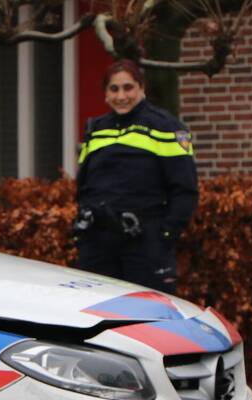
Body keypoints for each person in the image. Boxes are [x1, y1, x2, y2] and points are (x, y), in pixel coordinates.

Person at [73, 60, 198, 294]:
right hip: (98, 243)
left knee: (149, 318)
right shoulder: (96, 128)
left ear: (141, 88)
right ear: (105, 94)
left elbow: (185, 190)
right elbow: (85, 185)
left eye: (128, 88)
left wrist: (164, 236)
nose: (121, 96)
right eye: (114, 89)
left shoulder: (166, 127)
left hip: (145, 243)